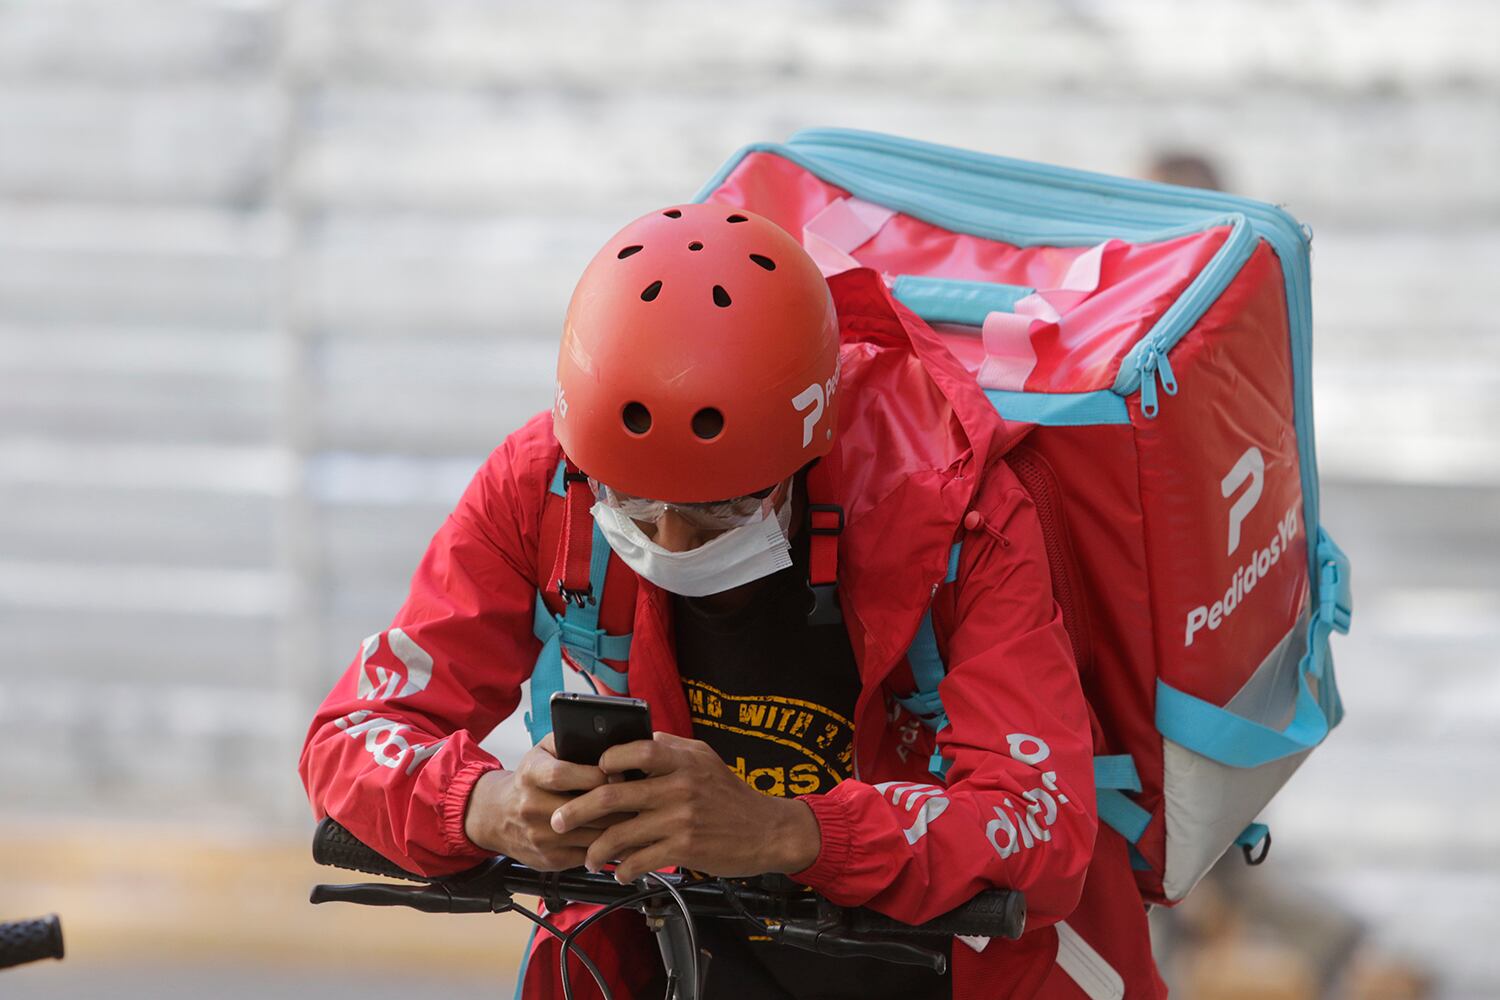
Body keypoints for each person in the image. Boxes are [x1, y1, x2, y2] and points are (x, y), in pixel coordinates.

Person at [300, 204, 1163, 998]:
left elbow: (1040, 826)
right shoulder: (542, 484)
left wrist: (790, 832)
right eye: (632, 506)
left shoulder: (953, 512)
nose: (670, 545)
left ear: (808, 450)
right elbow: (348, 737)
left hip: (956, 972)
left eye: (720, 509)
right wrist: (490, 810)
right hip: (680, 958)